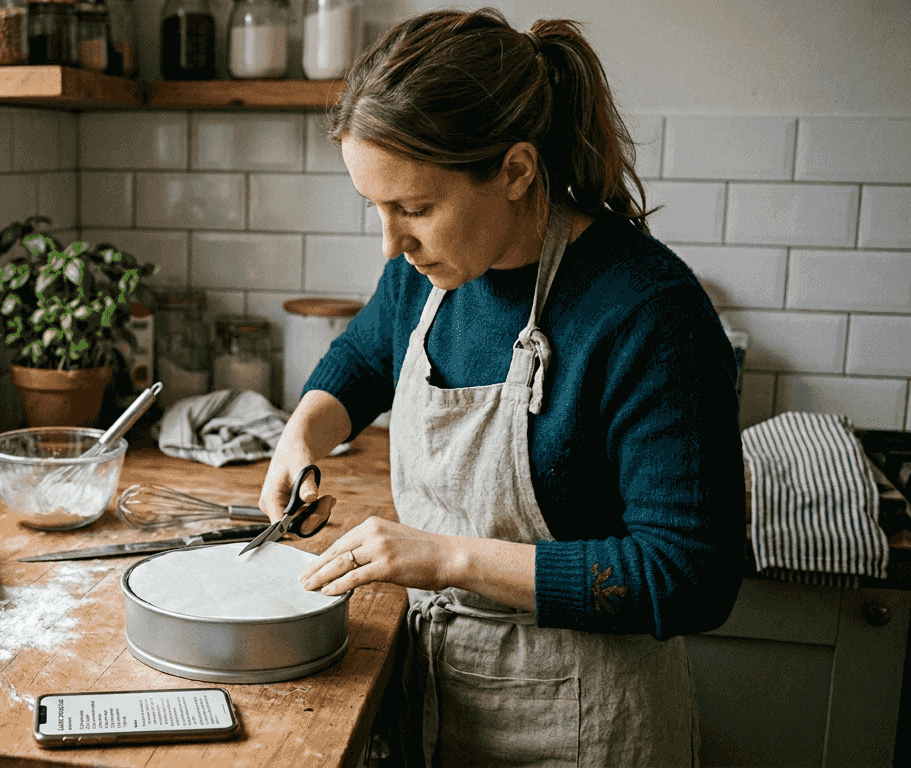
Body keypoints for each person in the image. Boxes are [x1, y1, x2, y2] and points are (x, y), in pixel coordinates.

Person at [257, 8, 746, 767]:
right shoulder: (424, 274)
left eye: (414, 208)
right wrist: (303, 434)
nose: (391, 244)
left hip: (590, 729)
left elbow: (690, 577)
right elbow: (363, 356)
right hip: (437, 703)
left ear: (516, 171)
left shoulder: (648, 312)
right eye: (375, 209)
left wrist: (448, 559)